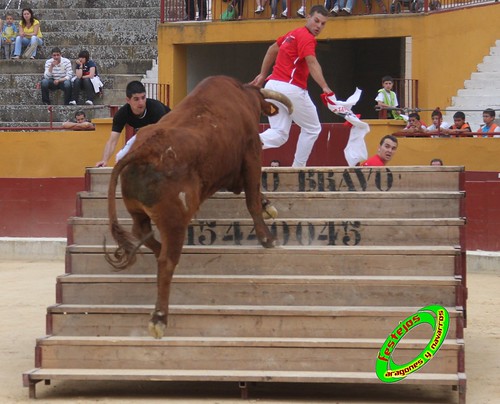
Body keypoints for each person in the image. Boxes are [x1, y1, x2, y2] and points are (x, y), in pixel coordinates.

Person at [250, 5, 333, 168]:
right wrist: (325, 87)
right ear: (307, 17)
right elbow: (312, 62)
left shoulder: (292, 34)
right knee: (313, 128)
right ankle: (298, 169)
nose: (319, 26)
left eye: (323, 24)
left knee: (279, 134)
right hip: (291, 89)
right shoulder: (307, 38)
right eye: (316, 21)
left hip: (272, 86)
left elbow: (272, 49)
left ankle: (247, 144)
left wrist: (262, 75)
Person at [95, 81, 171, 167]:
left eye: (143, 97)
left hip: (170, 131)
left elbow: (165, 136)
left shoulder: (156, 109)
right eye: (136, 99)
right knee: (120, 157)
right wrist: (104, 160)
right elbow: (112, 141)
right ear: (128, 100)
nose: (141, 103)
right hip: (146, 135)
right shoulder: (122, 114)